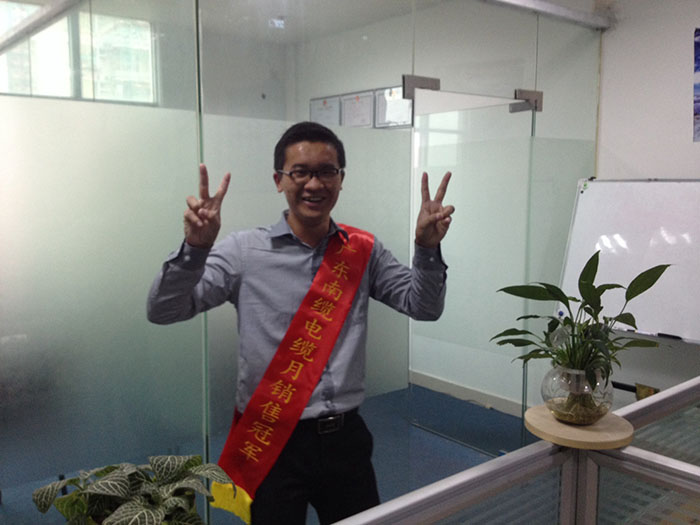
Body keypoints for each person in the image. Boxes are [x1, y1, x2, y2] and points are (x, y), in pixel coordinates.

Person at [147, 121, 454, 525]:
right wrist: (194, 249)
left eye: (327, 171)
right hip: (272, 442)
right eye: (300, 172)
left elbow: (424, 306)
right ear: (279, 180)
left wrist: (427, 249)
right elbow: (164, 310)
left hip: (345, 440)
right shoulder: (244, 251)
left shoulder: (363, 250)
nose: (314, 184)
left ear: (341, 179)